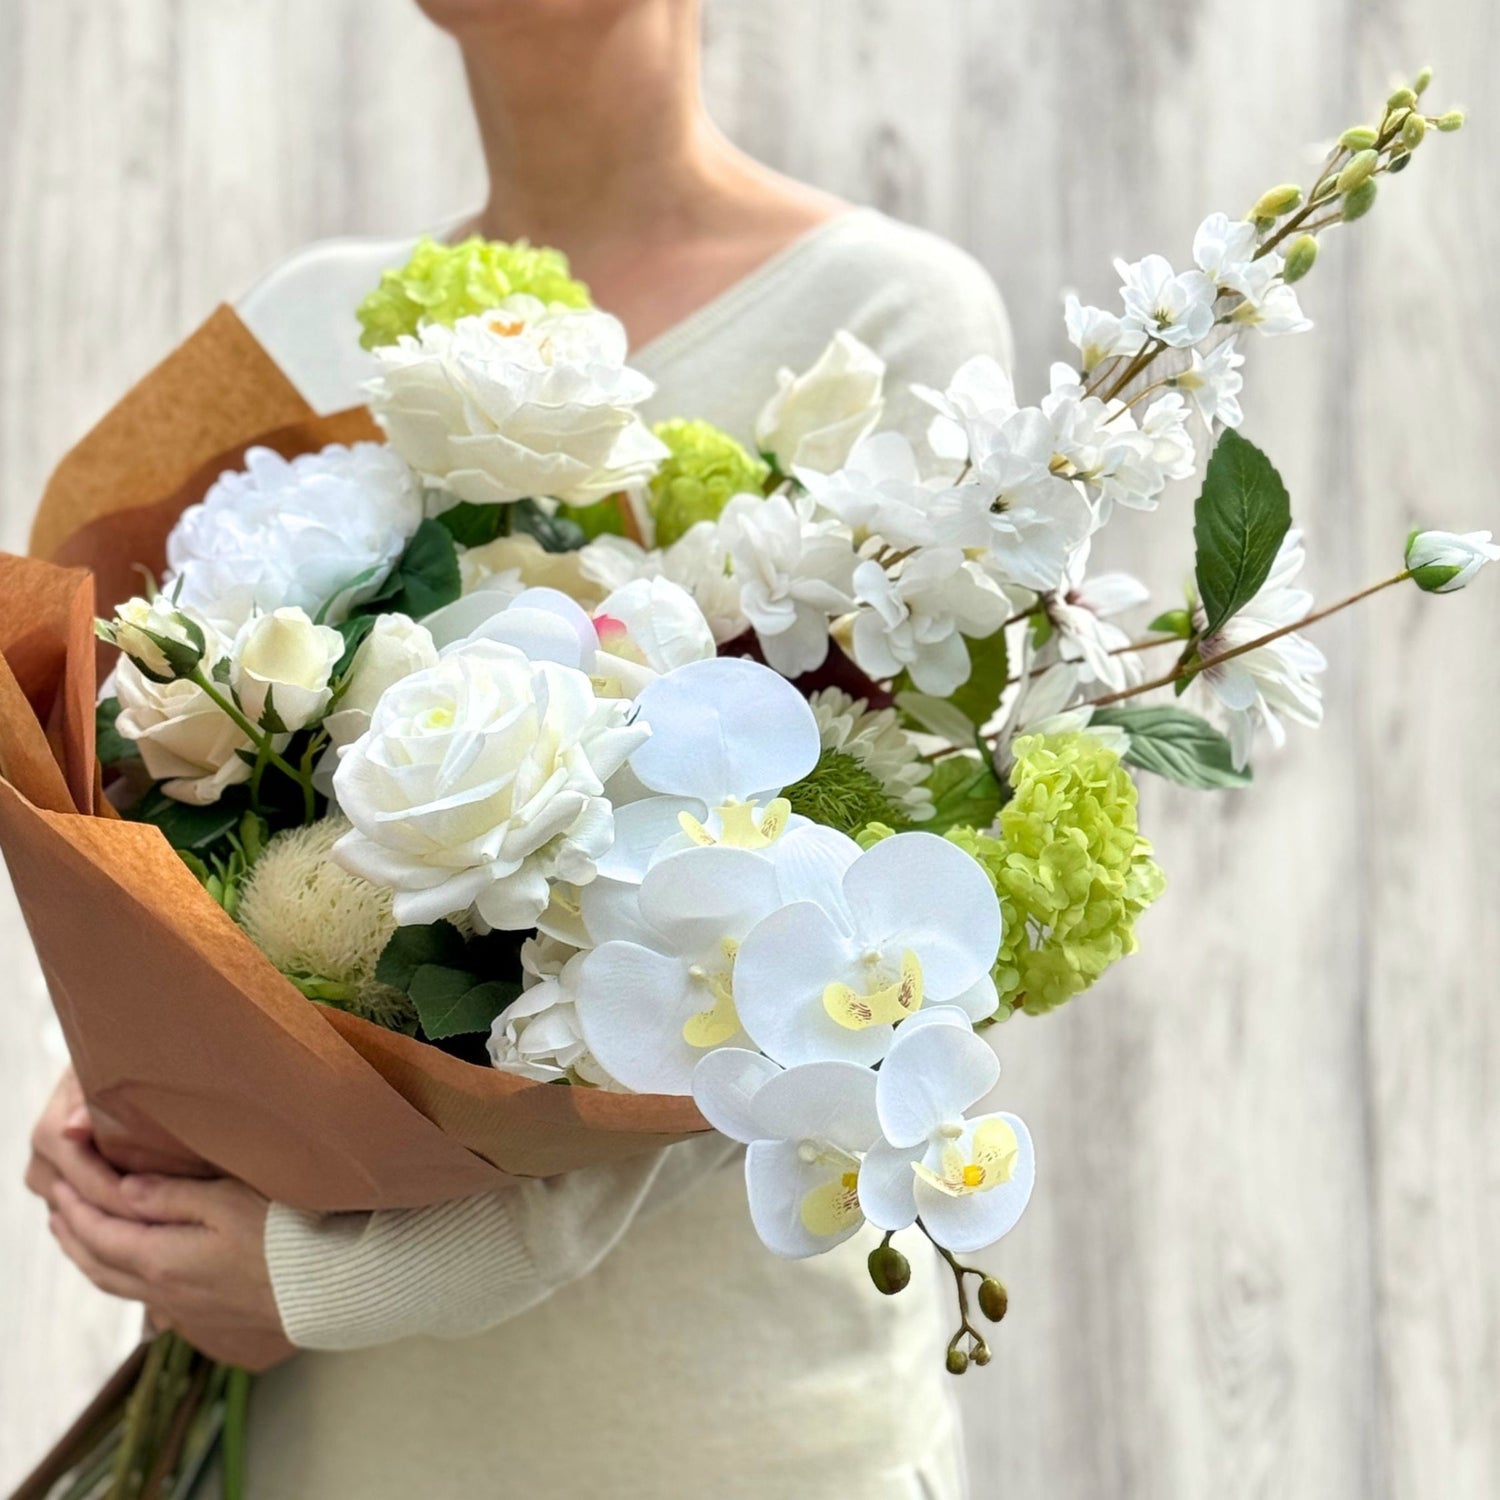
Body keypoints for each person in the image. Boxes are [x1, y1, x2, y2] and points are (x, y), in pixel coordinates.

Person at [26, 1, 1014, 1493]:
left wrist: (343, 1281)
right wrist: (141, 1088)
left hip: (713, 1429)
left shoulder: (887, 327)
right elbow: (173, 838)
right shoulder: (313, 325)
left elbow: (811, 996)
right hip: (332, 1437)